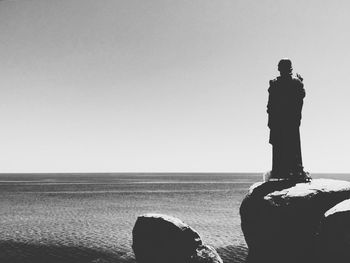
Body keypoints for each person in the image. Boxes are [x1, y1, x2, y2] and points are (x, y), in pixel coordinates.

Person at [267, 58, 309, 180]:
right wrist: (301, 82)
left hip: (280, 121)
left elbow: (270, 105)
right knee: (292, 145)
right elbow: (301, 95)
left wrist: (271, 119)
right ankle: (295, 170)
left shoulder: (275, 83)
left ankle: (280, 171)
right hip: (290, 121)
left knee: (281, 145)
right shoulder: (296, 83)